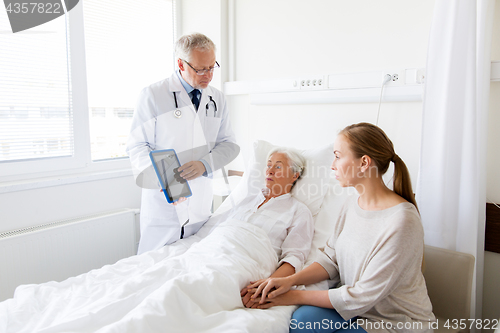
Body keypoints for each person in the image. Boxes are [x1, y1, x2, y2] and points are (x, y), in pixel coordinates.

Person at [0, 149, 314, 333]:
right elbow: (219, 227)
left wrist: (269, 285)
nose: (269, 171)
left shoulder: (298, 211)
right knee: (142, 279)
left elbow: (294, 258)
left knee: (178, 292)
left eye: (278, 166)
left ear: (295, 175)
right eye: (268, 165)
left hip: (243, 261)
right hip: (208, 248)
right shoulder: (247, 199)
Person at [244, 123, 435, 333]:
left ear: (363, 163)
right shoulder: (352, 204)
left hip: (394, 322)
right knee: (301, 322)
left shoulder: (402, 220)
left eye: (337, 156)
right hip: (356, 311)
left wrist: (292, 295)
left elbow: (362, 296)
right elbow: (330, 260)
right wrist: (287, 281)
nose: (333, 165)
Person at [127, 33, 240, 254]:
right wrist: (166, 179)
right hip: (164, 203)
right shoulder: (153, 95)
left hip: (200, 201)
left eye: (212, 67)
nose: (208, 75)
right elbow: (138, 145)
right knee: (153, 265)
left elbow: (229, 144)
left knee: (190, 263)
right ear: (181, 64)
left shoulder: (217, 98)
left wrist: (204, 164)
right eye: (200, 69)